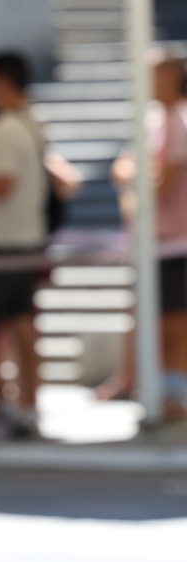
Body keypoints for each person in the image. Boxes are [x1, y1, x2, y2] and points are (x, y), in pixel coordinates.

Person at [103, 53, 187, 414]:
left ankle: (175, 394)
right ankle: (155, 387)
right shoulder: (155, 120)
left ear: (171, 77)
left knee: (174, 323)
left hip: (175, 242)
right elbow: (124, 167)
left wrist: (137, 183)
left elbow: (164, 182)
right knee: (154, 319)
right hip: (153, 243)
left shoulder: (181, 120)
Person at [0, 53, 48, 438]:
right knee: (21, 324)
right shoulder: (32, 124)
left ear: (2, 82)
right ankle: (26, 404)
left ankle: (7, 398)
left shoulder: (8, 128)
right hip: (27, 237)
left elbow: (2, 183)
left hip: (2, 242)